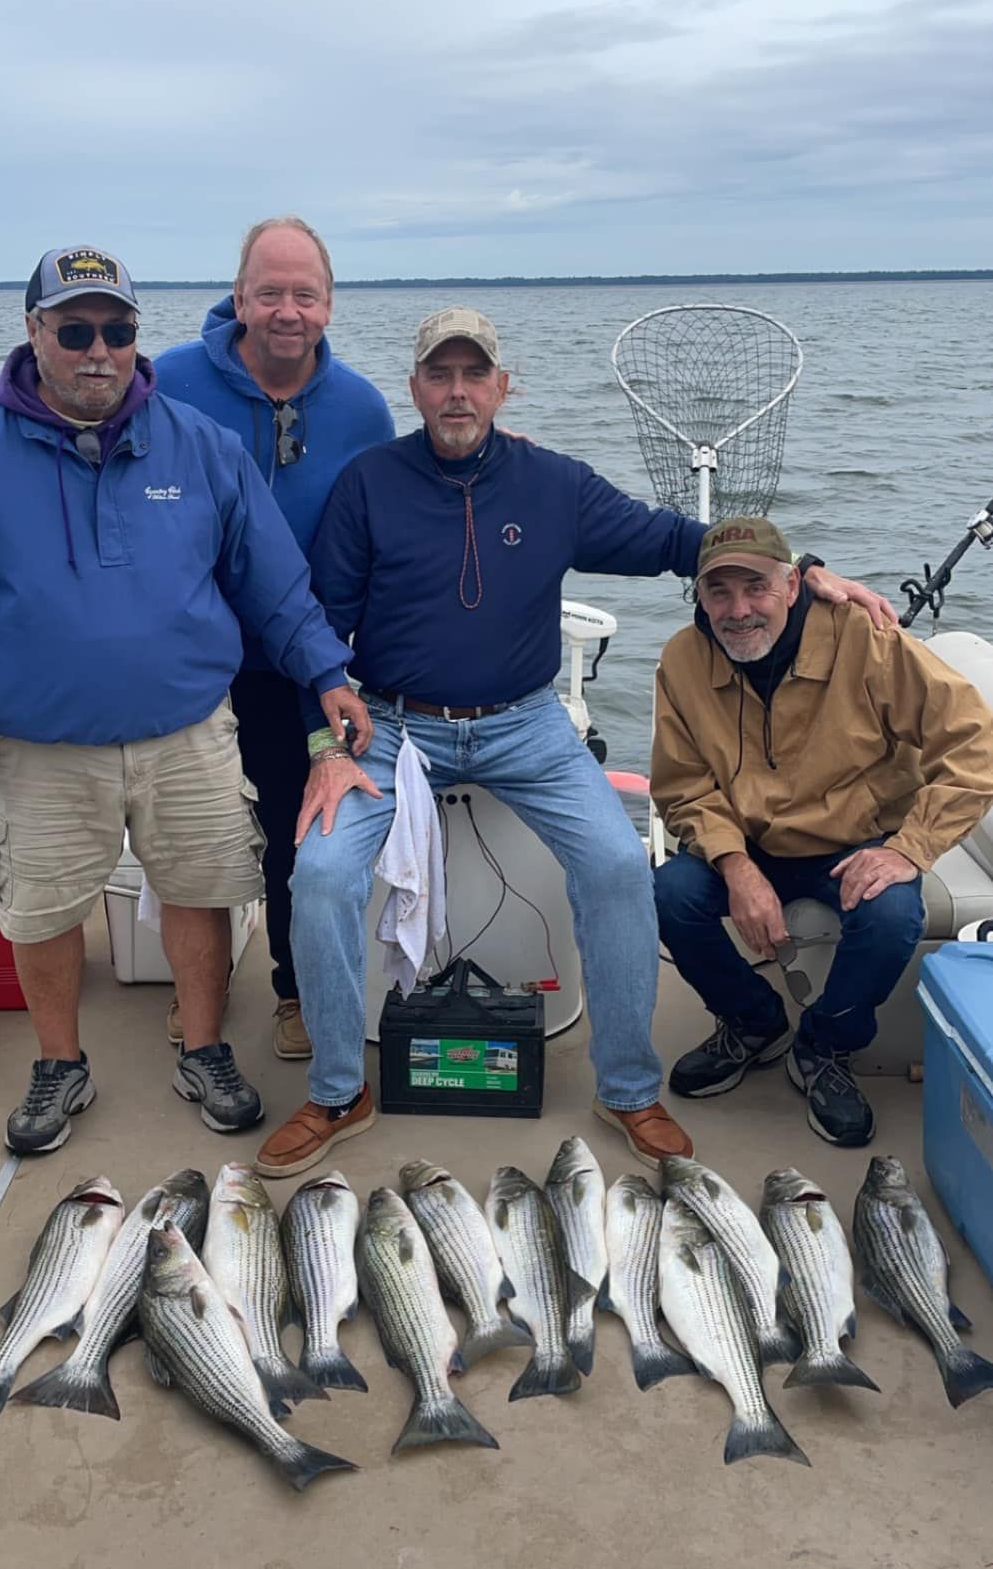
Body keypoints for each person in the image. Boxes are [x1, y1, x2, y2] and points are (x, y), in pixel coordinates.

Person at [252, 309, 892, 1181]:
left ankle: (627, 1088)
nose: (457, 392)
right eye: (439, 375)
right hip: (392, 724)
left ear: (502, 387)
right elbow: (317, 629)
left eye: (475, 374)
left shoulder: (553, 483)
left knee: (620, 867)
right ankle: (335, 1091)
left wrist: (804, 569)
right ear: (415, 390)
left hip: (526, 723)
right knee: (320, 876)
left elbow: (676, 539)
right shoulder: (368, 483)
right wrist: (327, 745)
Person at [0, 245, 370, 1156]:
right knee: (44, 907)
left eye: (117, 330)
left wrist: (326, 674)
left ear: (137, 337)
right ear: (35, 334)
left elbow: (273, 581)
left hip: (187, 730)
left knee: (201, 889)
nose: (97, 350)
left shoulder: (200, 445)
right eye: (75, 330)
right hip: (40, 741)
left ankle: (206, 1044)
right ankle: (59, 1064)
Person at [651, 516, 993, 1147]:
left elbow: (975, 739)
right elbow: (683, 785)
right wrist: (734, 864)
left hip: (855, 839)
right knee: (668, 892)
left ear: (792, 586)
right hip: (748, 840)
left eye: (755, 588)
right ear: (699, 598)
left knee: (892, 915)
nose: (739, 610)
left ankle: (825, 1046)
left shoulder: (866, 638)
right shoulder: (681, 660)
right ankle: (752, 1021)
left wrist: (908, 850)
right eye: (719, 592)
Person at [153, 217, 393, 1061]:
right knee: (200, 833)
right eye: (270, 291)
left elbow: (395, 508)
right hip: (197, 655)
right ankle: (201, 990)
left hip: (310, 663)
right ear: (239, 296)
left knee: (302, 824)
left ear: (329, 302)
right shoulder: (171, 381)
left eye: (306, 293)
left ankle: (294, 988)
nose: (287, 310)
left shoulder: (362, 406)